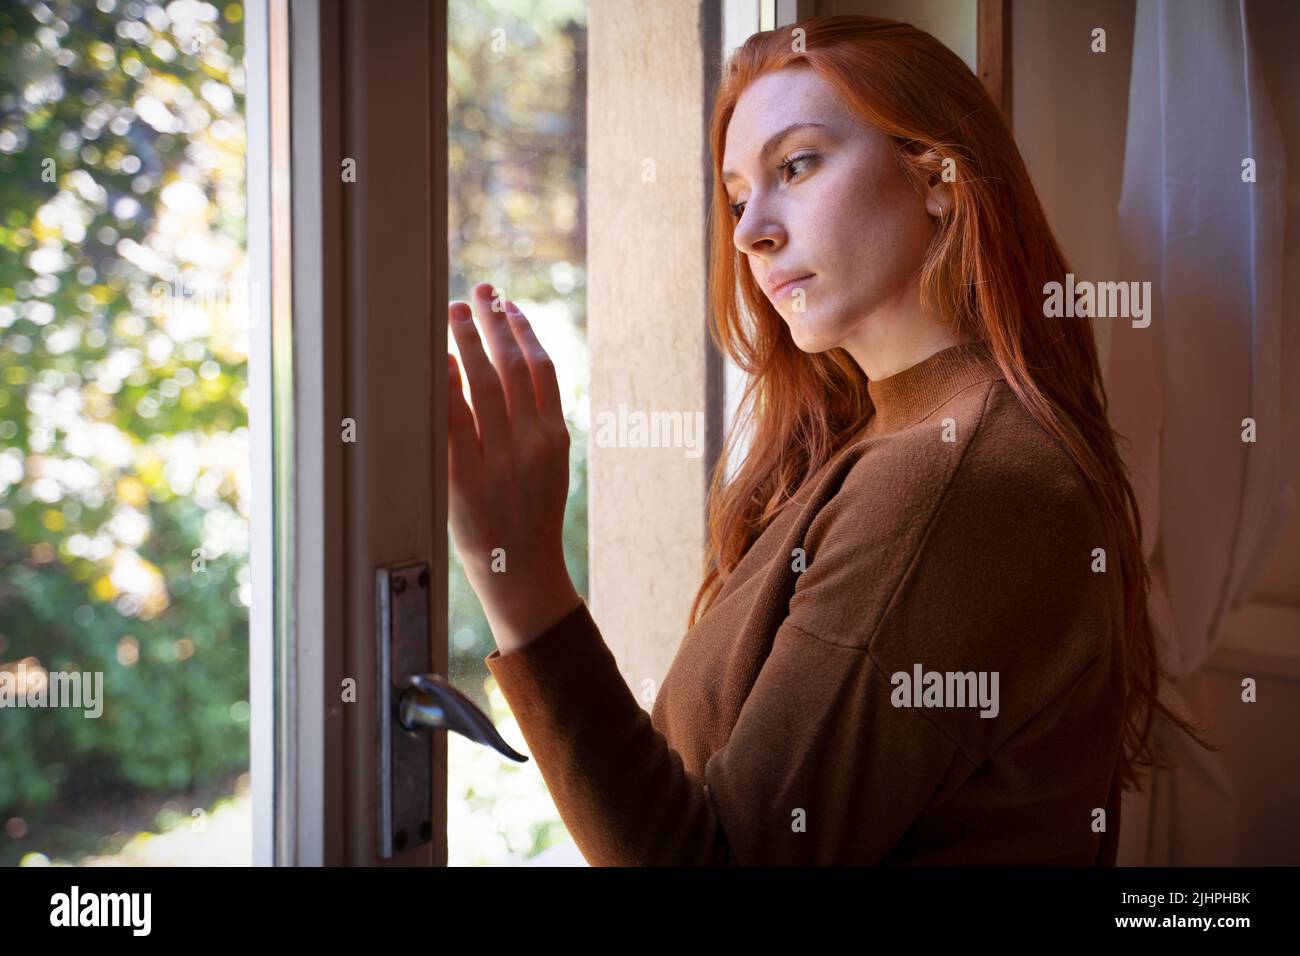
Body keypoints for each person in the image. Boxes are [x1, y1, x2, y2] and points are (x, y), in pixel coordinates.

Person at [444, 14, 1213, 866]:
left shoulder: (954, 479)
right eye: (738, 197)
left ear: (937, 175)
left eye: (796, 165)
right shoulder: (878, 439)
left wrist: (521, 575)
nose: (748, 232)